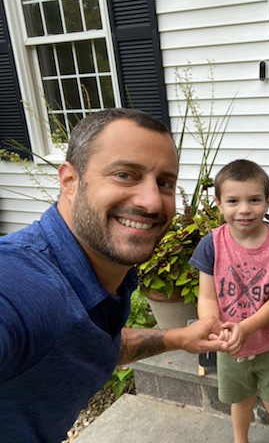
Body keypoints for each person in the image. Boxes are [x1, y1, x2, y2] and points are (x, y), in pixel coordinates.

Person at [0, 108, 229, 442]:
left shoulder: (97, 276)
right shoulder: (24, 283)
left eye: (164, 182)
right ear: (70, 181)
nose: (152, 203)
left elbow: (95, 344)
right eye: (125, 175)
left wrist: (180, 338)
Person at [189, 159, 269, 443]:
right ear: (218, 203)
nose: (244, 209)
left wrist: (246, 328)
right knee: (240, 402)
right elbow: (207, 295)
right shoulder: (212, 244)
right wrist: (212, 325)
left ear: (268, 201)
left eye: (254, 200)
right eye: (233, 201)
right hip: (229, 346)